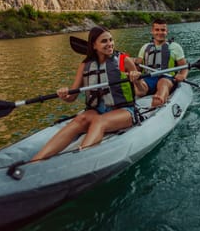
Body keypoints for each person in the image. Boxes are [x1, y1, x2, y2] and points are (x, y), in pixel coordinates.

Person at [31, 26, 142, 161]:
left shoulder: (124, 61)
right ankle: (35, 161)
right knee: (79, 119)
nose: (110, 44)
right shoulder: (85, 65)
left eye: (111, 40)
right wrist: (64, 95)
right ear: (94, 45)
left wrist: (136, 80)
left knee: (99, 121)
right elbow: (71, 98)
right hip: (97, 109)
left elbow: (143, 90)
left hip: (123, 110)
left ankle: (81, 160)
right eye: (104, 41)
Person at [134, 18, 188, 107]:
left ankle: (159, 99)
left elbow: (184, 67)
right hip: (149, 77)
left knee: (163, 83)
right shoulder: (145, 47)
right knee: (140, 87)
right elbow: (138, 67)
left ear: (167, 31)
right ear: (152, 31)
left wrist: (182, 76)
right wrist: (134, 73)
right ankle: (141, 92)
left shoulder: (175, 47)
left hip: (168, 78)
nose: (160, 33)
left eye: (163, 30)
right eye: (157, 30)